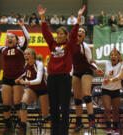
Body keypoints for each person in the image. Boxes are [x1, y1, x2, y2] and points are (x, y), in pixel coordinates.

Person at [37, 4, 86, 135]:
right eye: (57, 33)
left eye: (61, 34)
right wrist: (42, 17)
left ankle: (63, 132)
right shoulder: (52, 44)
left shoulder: (69, 45)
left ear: (66, 36)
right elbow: (45, 32)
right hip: (52, 78)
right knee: (53, 107)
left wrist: (79, 17)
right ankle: (55, 131)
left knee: (64, 107)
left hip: (64, 78)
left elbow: (75, 33)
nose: (58, 35)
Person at [0, 20, 30, 134]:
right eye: (8, 37)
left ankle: (22, 126)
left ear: (17, 40)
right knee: (6, 105)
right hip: (6, 79)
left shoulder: (20, 48)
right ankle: (9, 127)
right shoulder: (3, 49)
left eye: (12, 37)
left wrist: (22, 26)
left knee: (17, 104)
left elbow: (28, 38)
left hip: (18, 79)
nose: (9, 38)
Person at [72, 27, 102, 132]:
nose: (80, 32)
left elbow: (91, 61)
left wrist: (97, 69)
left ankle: (91, 120)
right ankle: (79, 122)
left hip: (86, 71)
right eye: (79, 31)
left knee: (86, 95)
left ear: (84, 36)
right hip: (76, 72)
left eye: (83, 32)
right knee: (77, 99)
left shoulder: (85, 47)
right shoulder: (70, 46)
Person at [15, 48, 49, 135]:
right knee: (23, 104)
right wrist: (20, 77)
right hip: (32, 89)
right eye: (25, 54)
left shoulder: (39, 64)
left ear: (33, 56)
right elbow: (26, 73)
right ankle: (24, 126)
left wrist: (25, 82)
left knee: (46, 116)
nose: (26, 56)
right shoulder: (26, 64)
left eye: (28, 54)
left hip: (43, 90)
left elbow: (38, 80)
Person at [95, 48, 122, 135]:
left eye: (115, 55)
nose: (113, 56)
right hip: (106, 89)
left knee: (116, 110)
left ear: (118, 57)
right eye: (111, 55)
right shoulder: (107, 63)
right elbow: (95, 62)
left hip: (116, 89)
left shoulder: (122, 64)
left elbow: (119, 76)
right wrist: (95, 66)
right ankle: (108, 126)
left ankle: (115, 127)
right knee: (107, 108)